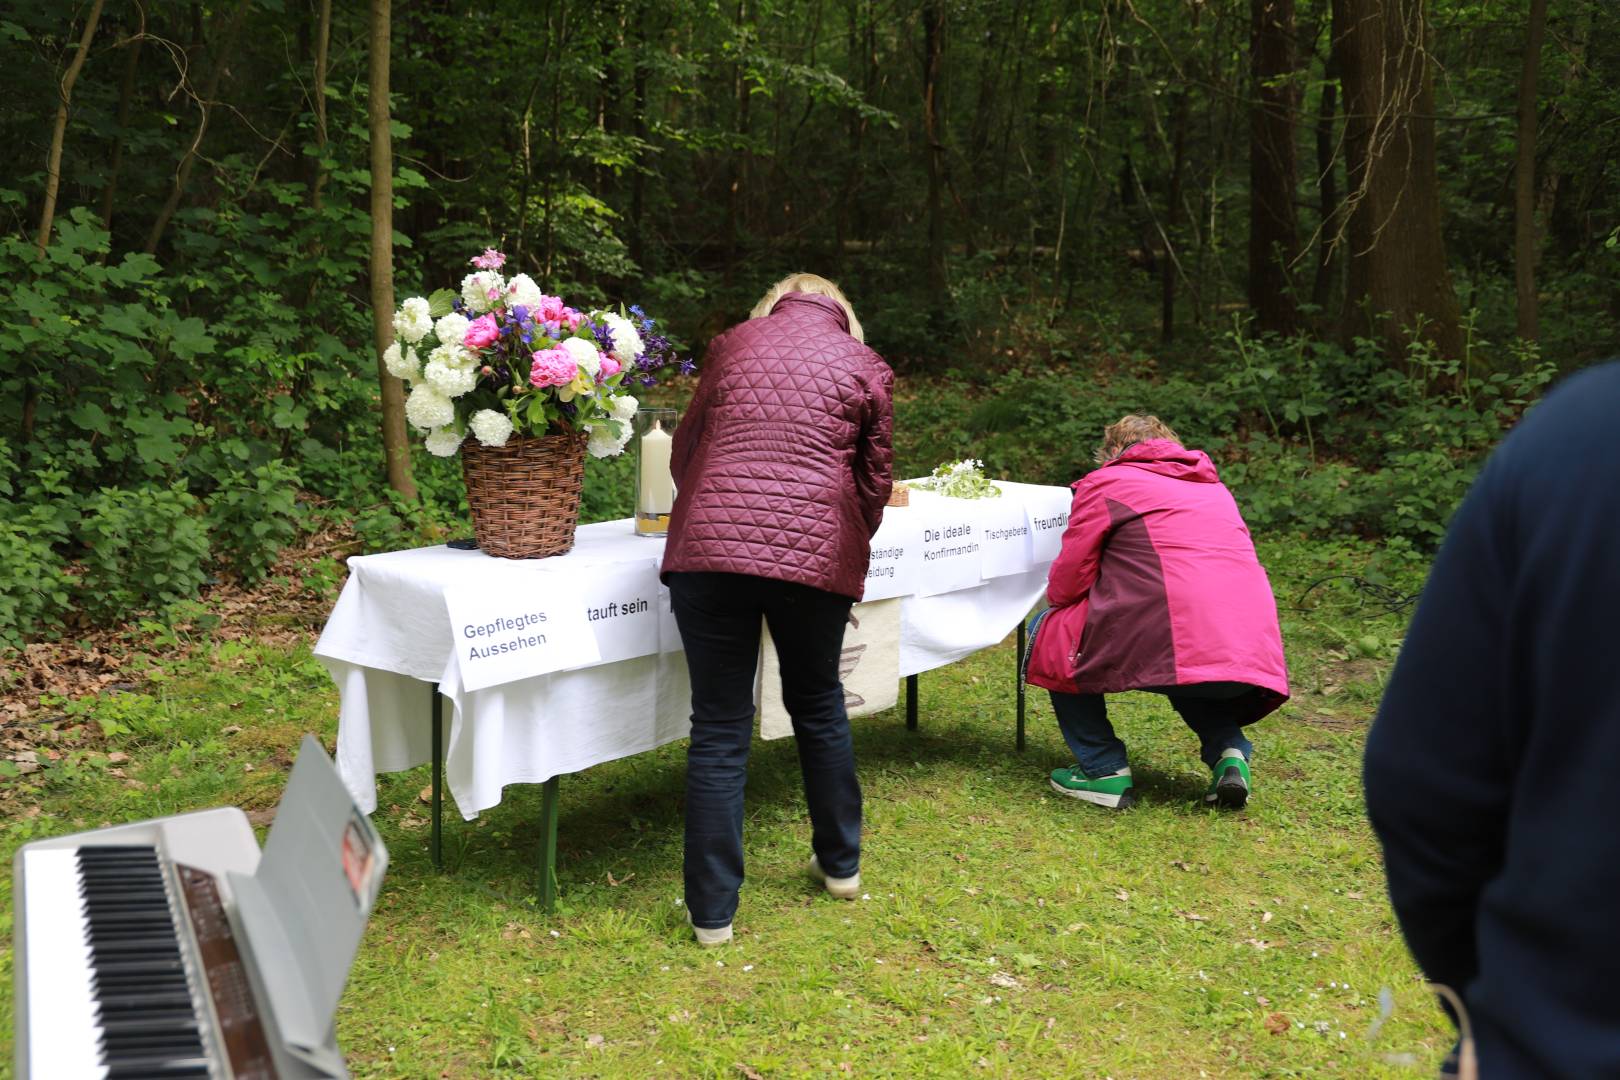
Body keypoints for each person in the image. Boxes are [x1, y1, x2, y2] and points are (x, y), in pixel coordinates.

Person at [1364, 362, 1620, 1078]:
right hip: (1245, 668)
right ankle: (1229, 746)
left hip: (1553, 1044)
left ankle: (1106, 762)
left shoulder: (1582, 435)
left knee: (1065, 644)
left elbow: (1422, 786)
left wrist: (1510, 1007)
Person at [661, 273, 893, 947]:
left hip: (708, 553)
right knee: (819, 703)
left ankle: (712, 914)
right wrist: (844, 542)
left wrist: (711, 512)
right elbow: (873, 482)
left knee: (720, 726)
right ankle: (841, 866)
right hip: (815, 556)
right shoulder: (865, 364)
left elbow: (687, 448)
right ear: (843, 313)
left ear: (770, 308)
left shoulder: (732, 345)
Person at [1023, 415, 1289, 809]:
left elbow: (1068, 582)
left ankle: (1102, 769)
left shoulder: (1108, 482)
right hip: (1246, 643)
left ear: (1112, 452)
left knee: (1050, 629)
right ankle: (1229, 754)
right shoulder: (1214, 488)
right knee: (1193, 664)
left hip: (1174, 631)